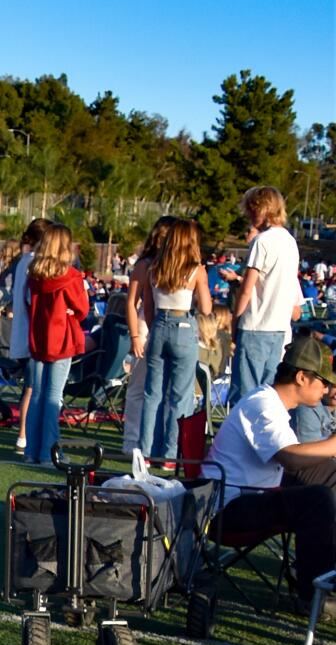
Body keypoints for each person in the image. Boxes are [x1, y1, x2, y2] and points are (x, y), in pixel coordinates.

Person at [201, 338, 336, 615]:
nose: (327, 389)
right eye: (323, 381)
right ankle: (312, 597)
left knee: (328, 479)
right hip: (228, 506)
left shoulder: (271, 403)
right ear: (301, 377)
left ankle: (325, 575)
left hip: (254, 491)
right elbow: (290, 457)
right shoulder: (262, 405)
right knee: (317, 499)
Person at [137, 218, 212, 461]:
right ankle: (171, 455)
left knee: (153, 393)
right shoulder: (196, 269)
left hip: (159, 324)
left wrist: (154, 329)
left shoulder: (155, 267)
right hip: (183, 324)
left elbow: (147, 306)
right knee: (180, 395)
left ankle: (146, 451)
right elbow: (207, 307)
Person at [229, 187, 302, 405]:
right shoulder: (290, 242)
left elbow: (247, 287)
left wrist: (235, 321)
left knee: (245, 397)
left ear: (261, 209)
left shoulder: (262, 242)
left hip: (255, 326)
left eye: (251, 210)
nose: (249, 217)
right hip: (278, 328)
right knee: (268, 399)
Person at [24, 223, 89, 465]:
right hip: (61, 338)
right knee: (53, 396)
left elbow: (28, 303)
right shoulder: (70, 276)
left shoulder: (35, 273)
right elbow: (82, 309)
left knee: (38, 395)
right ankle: (48, 452)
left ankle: (32, 450)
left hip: (39, 336)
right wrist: (72, 311)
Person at [123, 217, 178, 455]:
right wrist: (135, 336)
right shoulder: (145, 264)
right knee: (139, 386)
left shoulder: (177, 263)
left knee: (163, 388)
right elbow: (132, 301)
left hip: (168, 326)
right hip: (147, 325)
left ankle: (154, 439)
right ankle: (132, 440)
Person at [10, 219, 53, 454]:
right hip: (30, 335)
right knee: (32, 388)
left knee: (31, 387)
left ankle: (25, 435)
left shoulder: (24, 261)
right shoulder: (32, 263)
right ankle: (24, 436)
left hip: (24, 334)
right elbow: (30, 301)